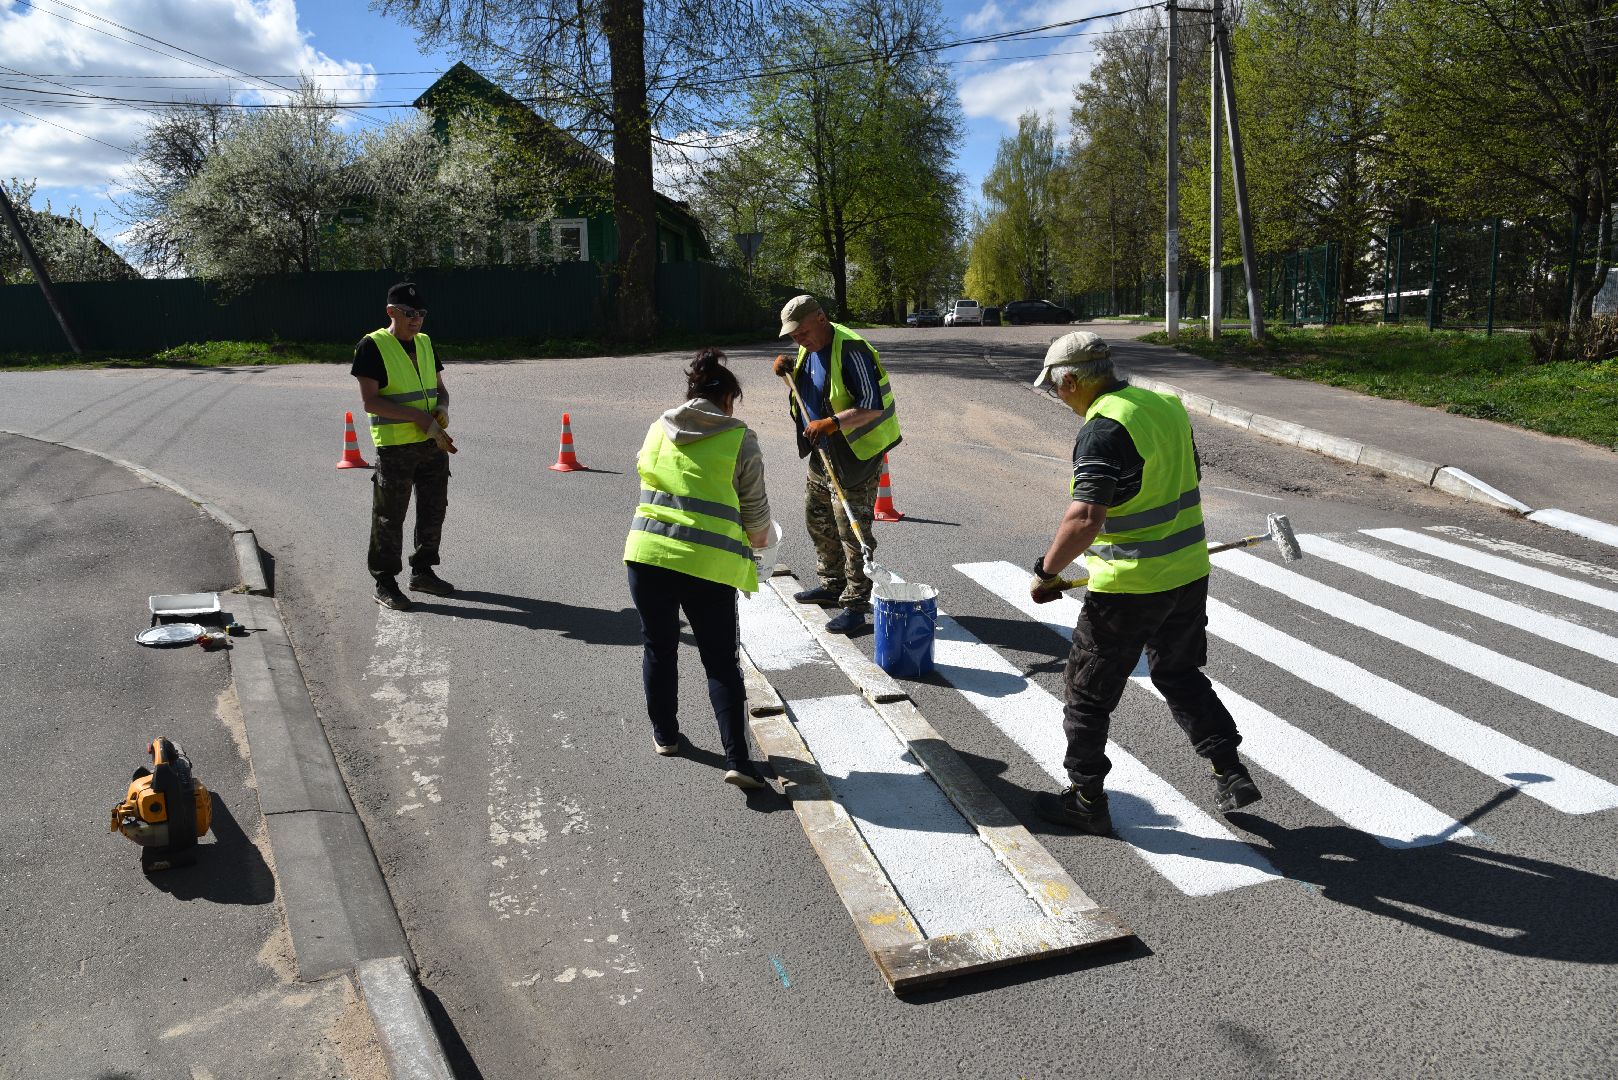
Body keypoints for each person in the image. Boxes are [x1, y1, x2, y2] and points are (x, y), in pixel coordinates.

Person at [1028, 331, 1261, 836]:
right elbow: (1187, 475)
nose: (1057, 396)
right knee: (1179, 675)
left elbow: (1086, 516)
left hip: (1129, 588)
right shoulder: (1164, 405)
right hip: (1187, 573)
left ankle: (1086, 798)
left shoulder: (1102, 429)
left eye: (1056, 387)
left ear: (1071, 380)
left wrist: (1046, 572)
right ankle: (1229, 769)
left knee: (1086, 696)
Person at [624, 348, 777, 790]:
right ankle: (739, 761)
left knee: (659, 647)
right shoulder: (739, 438)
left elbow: (645, 472)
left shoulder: (658, 428)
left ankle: (666, 737)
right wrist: (760, 541)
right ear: (728, 398)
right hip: (706, 564)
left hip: (647, 555)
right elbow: (757, 516)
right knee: (720, 662)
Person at [769, 295, 902, 635]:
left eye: (801, 333)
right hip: (822, 450)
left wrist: (829, 423)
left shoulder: (851, 348)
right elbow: (815, 386)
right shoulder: (809, 346)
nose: (798, 340)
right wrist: (789, 370)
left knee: (852, 529)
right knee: (817, 516)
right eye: (793, 336)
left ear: (821, 319)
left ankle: (857, 606)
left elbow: (871, 406)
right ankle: (832, 584)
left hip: (854, 454)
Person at [352, 281, 457, 612]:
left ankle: (423, 571)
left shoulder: (425, 343)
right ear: (391, 312)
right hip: (396, 448)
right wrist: (418, 417)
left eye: (421, 313)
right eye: (409, 313)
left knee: (434, 508)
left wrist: (442, 409)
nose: (416, 320)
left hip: (431, 444)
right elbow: (371, 402)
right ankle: (385, 582)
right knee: (389, 517)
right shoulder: (372, 345)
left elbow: (441, 389)